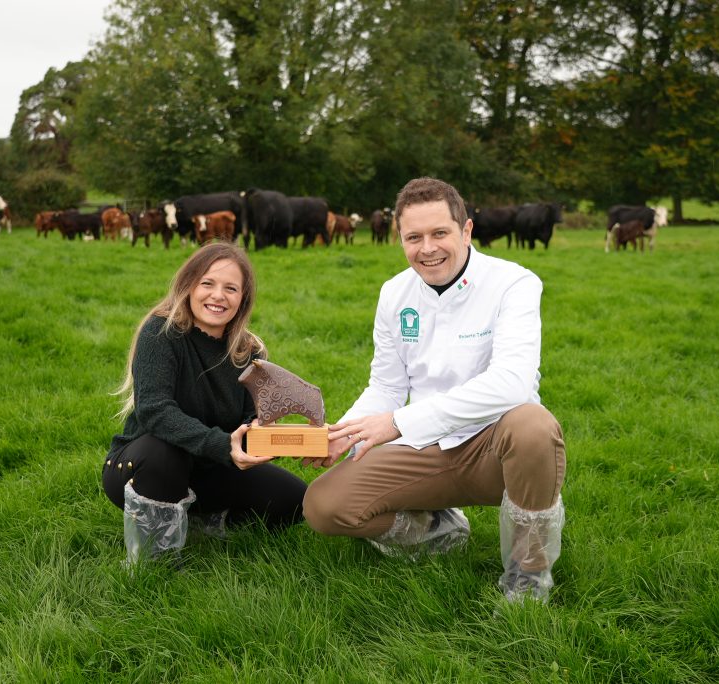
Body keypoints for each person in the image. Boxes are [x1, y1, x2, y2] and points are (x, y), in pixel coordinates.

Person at [302, 177, 566, 602]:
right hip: (427, 448)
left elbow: (512, 383)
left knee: (534, 424)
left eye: (439, 233)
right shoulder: (394, 293)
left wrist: (398, 423)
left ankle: (527, 577)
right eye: (414, 237)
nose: (427, 248)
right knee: (324, 505)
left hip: (497, 449)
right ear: (400, 239)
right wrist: (344, 435)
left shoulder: (514, 283)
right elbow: (387, 384)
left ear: (466, 231)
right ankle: (437, 528)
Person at [103, 243, 306, 566]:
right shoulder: (161, 331)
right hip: (142, 468)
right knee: (164, 451)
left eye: (231, 288)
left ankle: (204, 520)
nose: (218, 296)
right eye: (207, 283)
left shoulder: (249, 351)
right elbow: (155, 411)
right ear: (189, 285)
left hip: (210, 468)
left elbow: (250, 421)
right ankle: (156, 562)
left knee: (296, 500)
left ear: (243, 299)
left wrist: (290, 440)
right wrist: (222, 444)